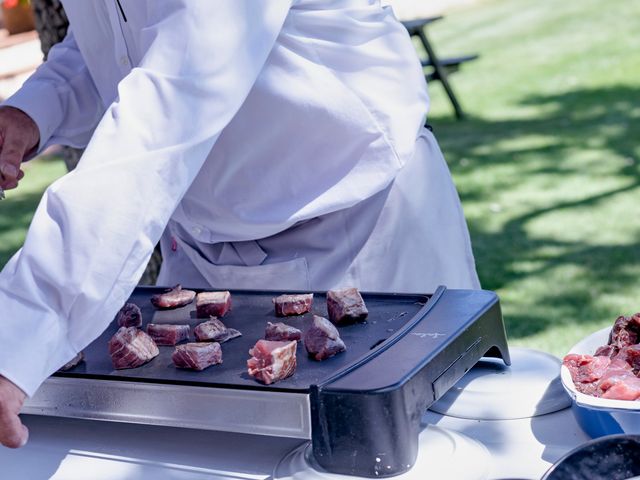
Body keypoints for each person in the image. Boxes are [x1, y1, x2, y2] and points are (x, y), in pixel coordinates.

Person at [0, 0, 480, 449]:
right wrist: (36, 109)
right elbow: (117, 45)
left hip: (353, 235)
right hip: (201, 255)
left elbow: (168, 104)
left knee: (408, 453)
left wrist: (17, 337)